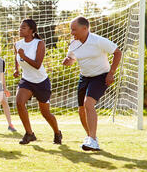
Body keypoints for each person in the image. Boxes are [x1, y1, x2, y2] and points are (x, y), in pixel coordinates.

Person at [62, 16, 122, 151]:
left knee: (88, 103)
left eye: (74, 29)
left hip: (101, 76)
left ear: (85, 28)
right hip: (84, 77)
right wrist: (68, 61)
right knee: (81, 110)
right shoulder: (74, 43)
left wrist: (111, 73)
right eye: (71, 30)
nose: (72, 33)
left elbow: (118, 52)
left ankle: (93, 140)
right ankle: (90, 138)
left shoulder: (98, 41)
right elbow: (72, 59)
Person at [14, 19, 62, 145]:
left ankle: (57, 132)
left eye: (23, 28)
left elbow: (37, 64)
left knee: (45, 113)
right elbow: (17, 58)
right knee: (19, 103)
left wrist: (24, 56)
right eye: (20, 27)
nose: (20, 30)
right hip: (26, 80)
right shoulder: (17, 44)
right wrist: (16, 69)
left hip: (41, 82)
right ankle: (29, 134)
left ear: (31, 30)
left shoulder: (39, 43)